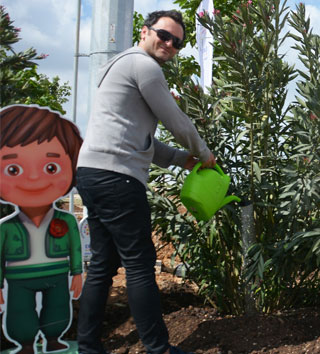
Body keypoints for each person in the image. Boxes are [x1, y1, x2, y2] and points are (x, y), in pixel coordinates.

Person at [75, 10, 216, 354]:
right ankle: (158, 348)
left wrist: (181, 159)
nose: (170, 44)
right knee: (139, 264)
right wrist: (204, 153)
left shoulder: (123, 66)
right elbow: (176, 120)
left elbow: (138, 141)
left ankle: (88, 346)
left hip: (93, 172)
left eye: (177, 42)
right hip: (116, 178)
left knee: (104, 266)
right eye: (164, 35)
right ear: (144, 31)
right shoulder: (144, 65)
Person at [0, 105, 84, 354]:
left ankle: (54, 338)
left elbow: (76, 247)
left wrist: (77, 273)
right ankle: (25, 343)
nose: (35, 179)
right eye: (13, 170)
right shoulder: (6, 228)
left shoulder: (67, 221)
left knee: (58, 308)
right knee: (19, 312)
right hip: (18, 278)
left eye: (51, 168)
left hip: (57, 273)